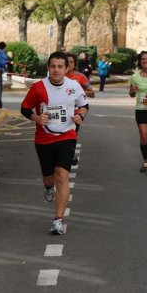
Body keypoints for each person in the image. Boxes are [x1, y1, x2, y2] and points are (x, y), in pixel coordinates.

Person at [21, 51, 89, 235]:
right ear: (48, 68)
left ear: (67, 68)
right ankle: (48, 187)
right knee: (49, 178)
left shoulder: (74, 86)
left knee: (62, 176)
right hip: (43, 139)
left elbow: (84, 105)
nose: (57, 70)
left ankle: (58, 219)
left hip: (67, 135)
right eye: (53, 67)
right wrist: (36, 117)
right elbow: (24, 108)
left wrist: (80, 115)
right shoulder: (37, 87)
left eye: (60, 67)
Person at [65, 53, 95, 166]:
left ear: (75, 64)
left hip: (76, 112)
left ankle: (71, 152)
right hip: (60, 112)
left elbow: (92, 93)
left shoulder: (80, 77)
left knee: (72, 134)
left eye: (71, 62)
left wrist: (77, 92)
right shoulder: (56, 76)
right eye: (67, 61)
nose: (69, 64)